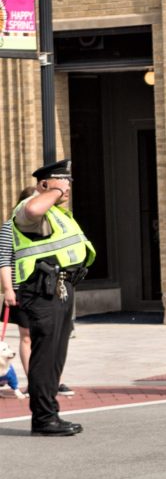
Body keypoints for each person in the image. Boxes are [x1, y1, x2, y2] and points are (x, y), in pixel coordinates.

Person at [7, 160, 95, 435]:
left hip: (60, 288)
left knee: (56, 354)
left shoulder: (57, 213)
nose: (66, 188)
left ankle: (51, 412)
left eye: (68, 183)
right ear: (44, 184)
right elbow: (33, 208)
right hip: (42, 290)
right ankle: (43, 418)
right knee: (45, 355)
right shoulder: (29, 208)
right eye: (61, 182)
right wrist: (53, 192)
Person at [0, 187, 40, 396]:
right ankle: (33, 382)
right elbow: (4, 258)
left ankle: (50, 380)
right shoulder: (10, 227)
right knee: (27, 336)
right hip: (20, 289)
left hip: (42, 288)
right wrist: (8, 289)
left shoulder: (44, 226)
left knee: (45, 337)